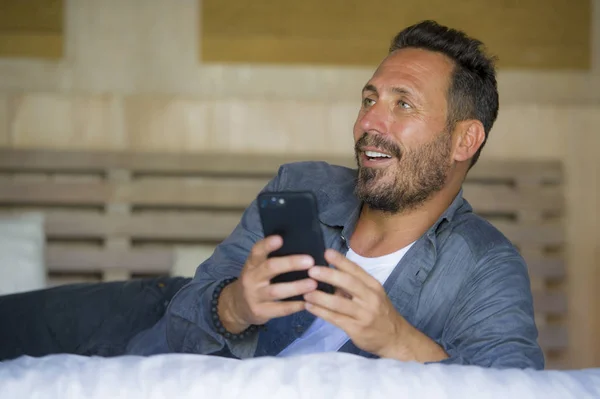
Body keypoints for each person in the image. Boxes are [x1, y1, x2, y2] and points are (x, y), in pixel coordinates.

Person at [126, 20, 545, 369]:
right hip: (136, 316)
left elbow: (514, 387)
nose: (369, 122)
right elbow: (175, 326)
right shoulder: (301, 188)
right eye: (369, 99)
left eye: (403, 105)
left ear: (464, 140)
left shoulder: (487, 267)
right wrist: (235, 306)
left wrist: (399, 341)